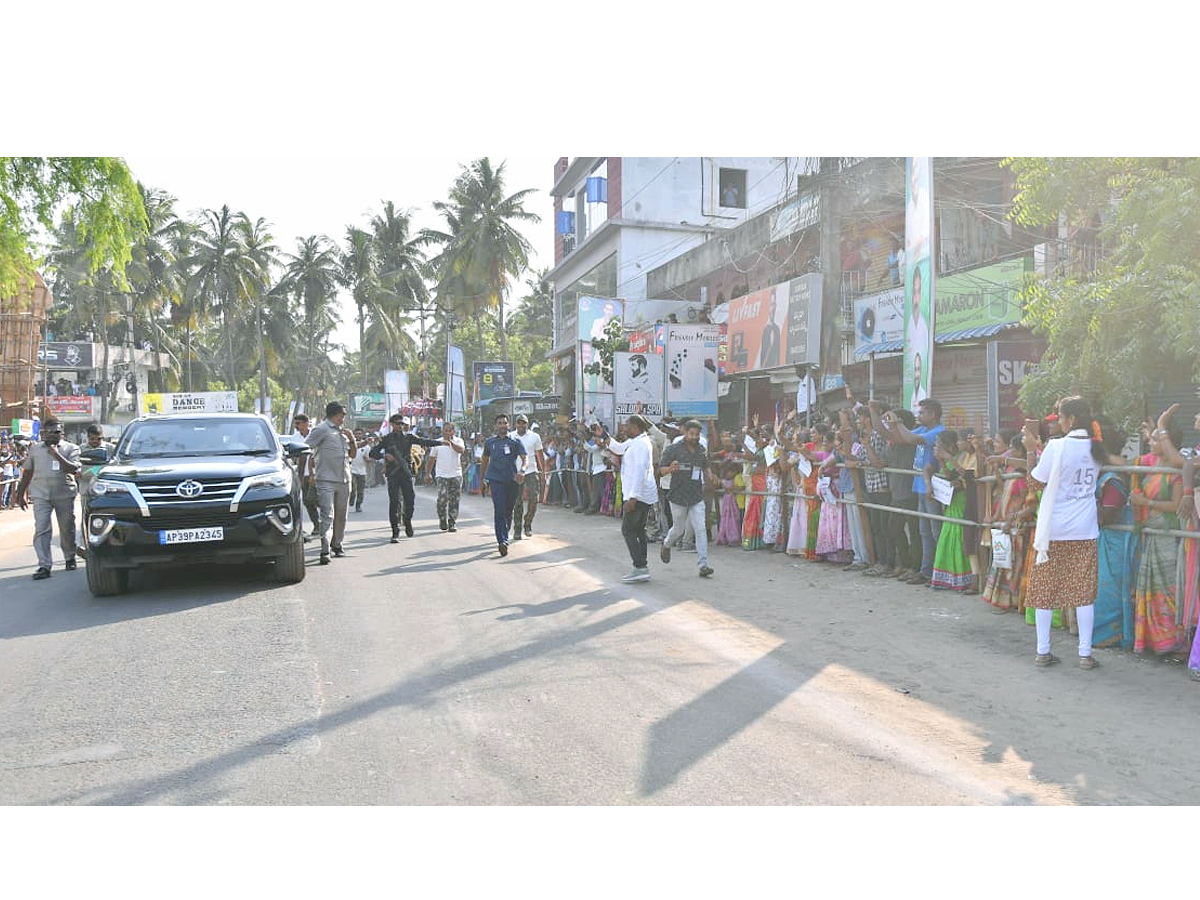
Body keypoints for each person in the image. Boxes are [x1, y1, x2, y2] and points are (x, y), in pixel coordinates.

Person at [1021, 396, 1105, 669]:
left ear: (1071, 419)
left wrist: (1031, 451)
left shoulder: (1056, 447)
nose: (1058, 420)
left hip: (1054, 529)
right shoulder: (1097, 447)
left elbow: (1034, 481)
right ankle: (1085, 654)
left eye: (1060, 416)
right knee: (1084, 592)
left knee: (1046, 588)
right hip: (1084, 527)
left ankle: (1043, 651)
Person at [1129, 420, 1185, 656]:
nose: (1149, 442)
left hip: (1167, 538)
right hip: (1152, 533)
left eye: (1154, 439)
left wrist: (1147, 503)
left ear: (1165, 441)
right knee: (1151, 589)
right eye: (1149, 438)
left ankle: (1174, 642)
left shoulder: (1175, 471)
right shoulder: (1152, 465)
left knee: (1169, 589)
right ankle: (1155, 641)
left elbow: (1176, 505)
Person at [885, 398, 945, 586]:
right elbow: (898, 437)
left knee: (935, 532)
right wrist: (892, 425)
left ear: (932, 414)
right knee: (924, 532)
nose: (919, 416)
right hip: (919, 486)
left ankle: (939, 571)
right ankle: (926, 571)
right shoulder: (923, 429)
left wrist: (898, 423)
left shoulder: (938, 431)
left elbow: (911, 438)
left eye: (922, 413)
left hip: (933, 489)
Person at [14, 417, 81, 579]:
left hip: (64, 494)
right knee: (42, 528)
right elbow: (28, 471)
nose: (53, 435)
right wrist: (21, 493)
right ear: (44, 433)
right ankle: (44, 565)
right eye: (50, 432)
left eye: (57, 432)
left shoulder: (71, 448)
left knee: (66, 527)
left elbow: (73, 469)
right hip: (41, 494)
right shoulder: (35, 449)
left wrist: (56, 454)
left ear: (62, 433)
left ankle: (69, 557)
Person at [369, 414, 444, 542]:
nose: (400, 426)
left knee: (410, 500)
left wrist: (441, 442)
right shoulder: (387, 439)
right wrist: (385, 455)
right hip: (393, 473)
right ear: (392, 424)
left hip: (406, 472)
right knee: (394, 502)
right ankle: (395, 531)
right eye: (398, 423)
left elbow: (423, 441)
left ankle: (407, 520)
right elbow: (373, 453)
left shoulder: (409, 437)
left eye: (402, 423)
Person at [605, 414, 658, 583]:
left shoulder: (641, 444)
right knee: (638, 531)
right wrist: (604, 436)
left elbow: (641, 471)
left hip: (638, 495)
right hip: (639, 494)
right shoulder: (635, 441)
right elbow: (619, 449)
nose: (624, 428)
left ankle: (640, 566)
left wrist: (633, 498)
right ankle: (642, 568)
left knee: (628, 530)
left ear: (636, 427)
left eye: (627, 426)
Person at [658, 419, 714, 578]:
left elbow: (705, 464)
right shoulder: (673, 449)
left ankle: (703, 564)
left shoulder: (701, 450)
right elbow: (661, 470)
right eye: (691, 434)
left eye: (697, 434)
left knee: (700, 528)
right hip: (678, 495)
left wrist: (710, 474)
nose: (694, 437)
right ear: (685, 432)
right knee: (678, 529)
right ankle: (667, 544)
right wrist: (670, 468)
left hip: (696, 495)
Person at [305, 402, 357, 565]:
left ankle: (337, 544)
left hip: (344, 479)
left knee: (341, 515)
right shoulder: (321, 429)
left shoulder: (343, 432)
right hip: (326, 479)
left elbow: (352, 454)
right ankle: (324, 549)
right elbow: (306, 447)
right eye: (342, 415)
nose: (343, 418)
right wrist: (309, 473)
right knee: (327, 514)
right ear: (334, 415)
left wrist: (352, 439)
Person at [479, 414, 527, 557]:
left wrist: (522, 470)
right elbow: (484, 460)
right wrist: (483, 480)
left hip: (512, 480)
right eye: (499, 423)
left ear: (508, 425)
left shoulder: (515, 442)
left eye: (504, 423)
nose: (502, 425)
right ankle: (502, 541)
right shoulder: (490, 442)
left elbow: (525, 459)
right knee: (499, 509)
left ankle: (504, 532)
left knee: (508, 510)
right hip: (495, 480)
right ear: (496, 425)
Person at [426, 422, 466, 532]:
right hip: (442, 475)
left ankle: (452, 522)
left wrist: (451, 443)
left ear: (453, 431)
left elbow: (461, 450)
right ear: (442, 431)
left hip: (456, 474)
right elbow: (431, 459)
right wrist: (428, 473)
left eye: (449, 430)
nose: (447, 432)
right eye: (445, 430)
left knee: (454, 500)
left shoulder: (459, 441)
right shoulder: (437, 442)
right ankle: (442, 519)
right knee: (442, 498)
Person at [510, 415, 545, 540]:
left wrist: (543, 472)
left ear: (527, 424)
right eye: (519, 423)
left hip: (531, 471)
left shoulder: (535, 437)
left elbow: (540, 455)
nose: (521, 425)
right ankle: (518, 529)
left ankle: (528, 522)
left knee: (533, 499)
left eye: (523, 423)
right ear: (516, 424)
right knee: (517, 502)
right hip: (516, 472)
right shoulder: (511, 436)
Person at [292, 414, 321, 540]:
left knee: (313, 498)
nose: (296, 426)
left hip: (316, 473)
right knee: (306, 501)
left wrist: (313, 473)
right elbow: (295, 457)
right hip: (302, 474)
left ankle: (328, 516)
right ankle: (317, 525)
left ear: (306, 423)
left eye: (298, 423)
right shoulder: (295, 438)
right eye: (295, 424)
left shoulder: (315, 434)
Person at [758, 289, 782, 370]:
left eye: (774, 304)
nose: (773, 308)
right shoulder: (765, 330)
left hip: (776, 371)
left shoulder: (777, 329)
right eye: (771, 304)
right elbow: (762, 354)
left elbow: (778, 354)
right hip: (765, 370)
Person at [349, 427, 368, 512]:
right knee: (353, 488)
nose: (358, 435)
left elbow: (369, 459)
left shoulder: (366, 447)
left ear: (362, 435)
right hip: (352, 470)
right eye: (356, 434)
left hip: (362, 471)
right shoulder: (350, 445)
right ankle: (351, 498)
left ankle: (358, 505)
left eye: (359, 434)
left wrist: (367, 460)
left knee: (360, 490)